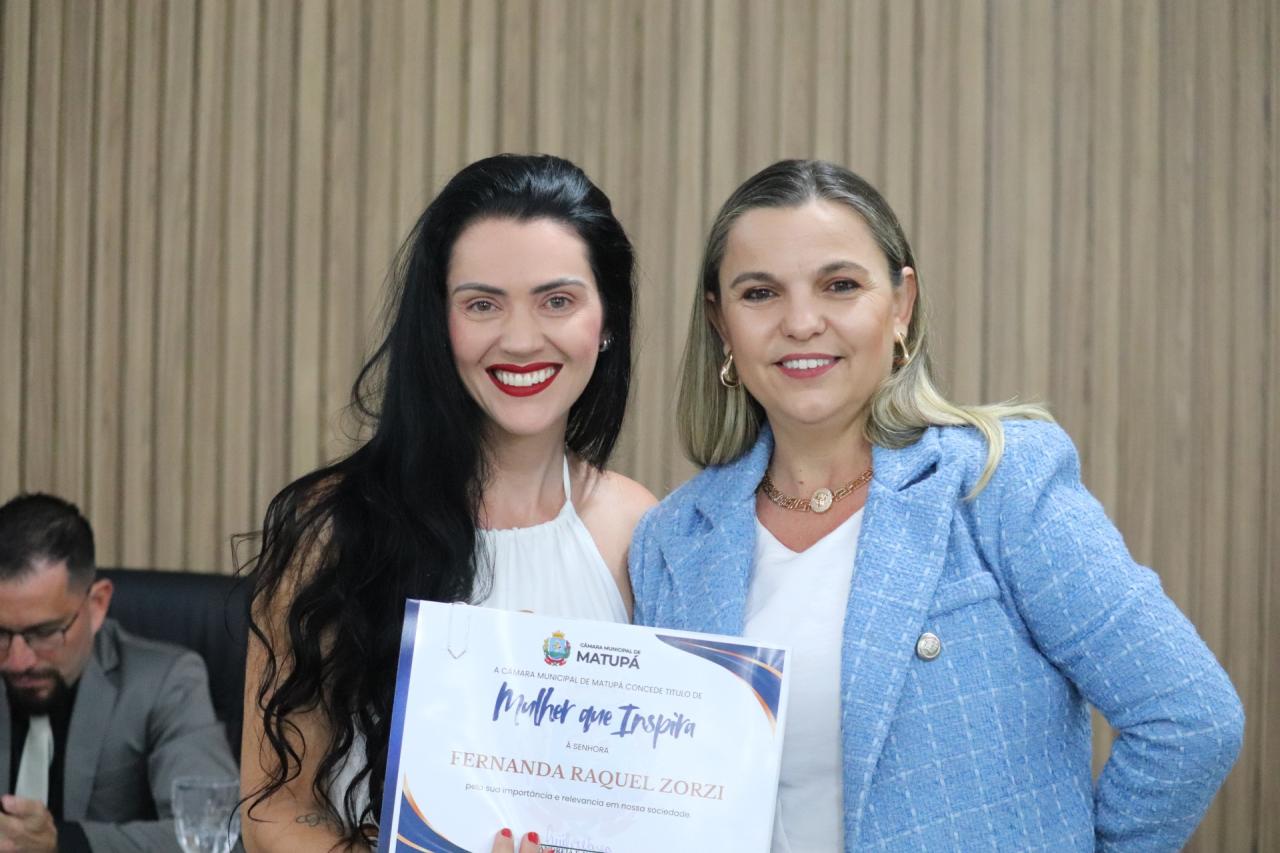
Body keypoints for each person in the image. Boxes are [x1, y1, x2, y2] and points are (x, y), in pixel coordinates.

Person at [628, 159, 1244, 851]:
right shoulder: (672, 540)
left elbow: (1190, 716)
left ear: (901, 304)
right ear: (721, 322)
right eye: (760, 292)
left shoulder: (997, 482)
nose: (801, 322)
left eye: (840, 285)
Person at [240, 154, 656, 852]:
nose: (520, 340)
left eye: (557, 301)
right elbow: (274, 809)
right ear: (439, 322)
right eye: (482, 304)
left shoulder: (641, 528)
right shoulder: (333, 529)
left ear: (606, 319)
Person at [0, 493, 237, 853]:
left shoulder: (166, 682)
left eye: (44, 632)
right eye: (1, 633)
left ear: (97, 605)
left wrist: (63, 843)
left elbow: (218, 835)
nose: (18, 661)